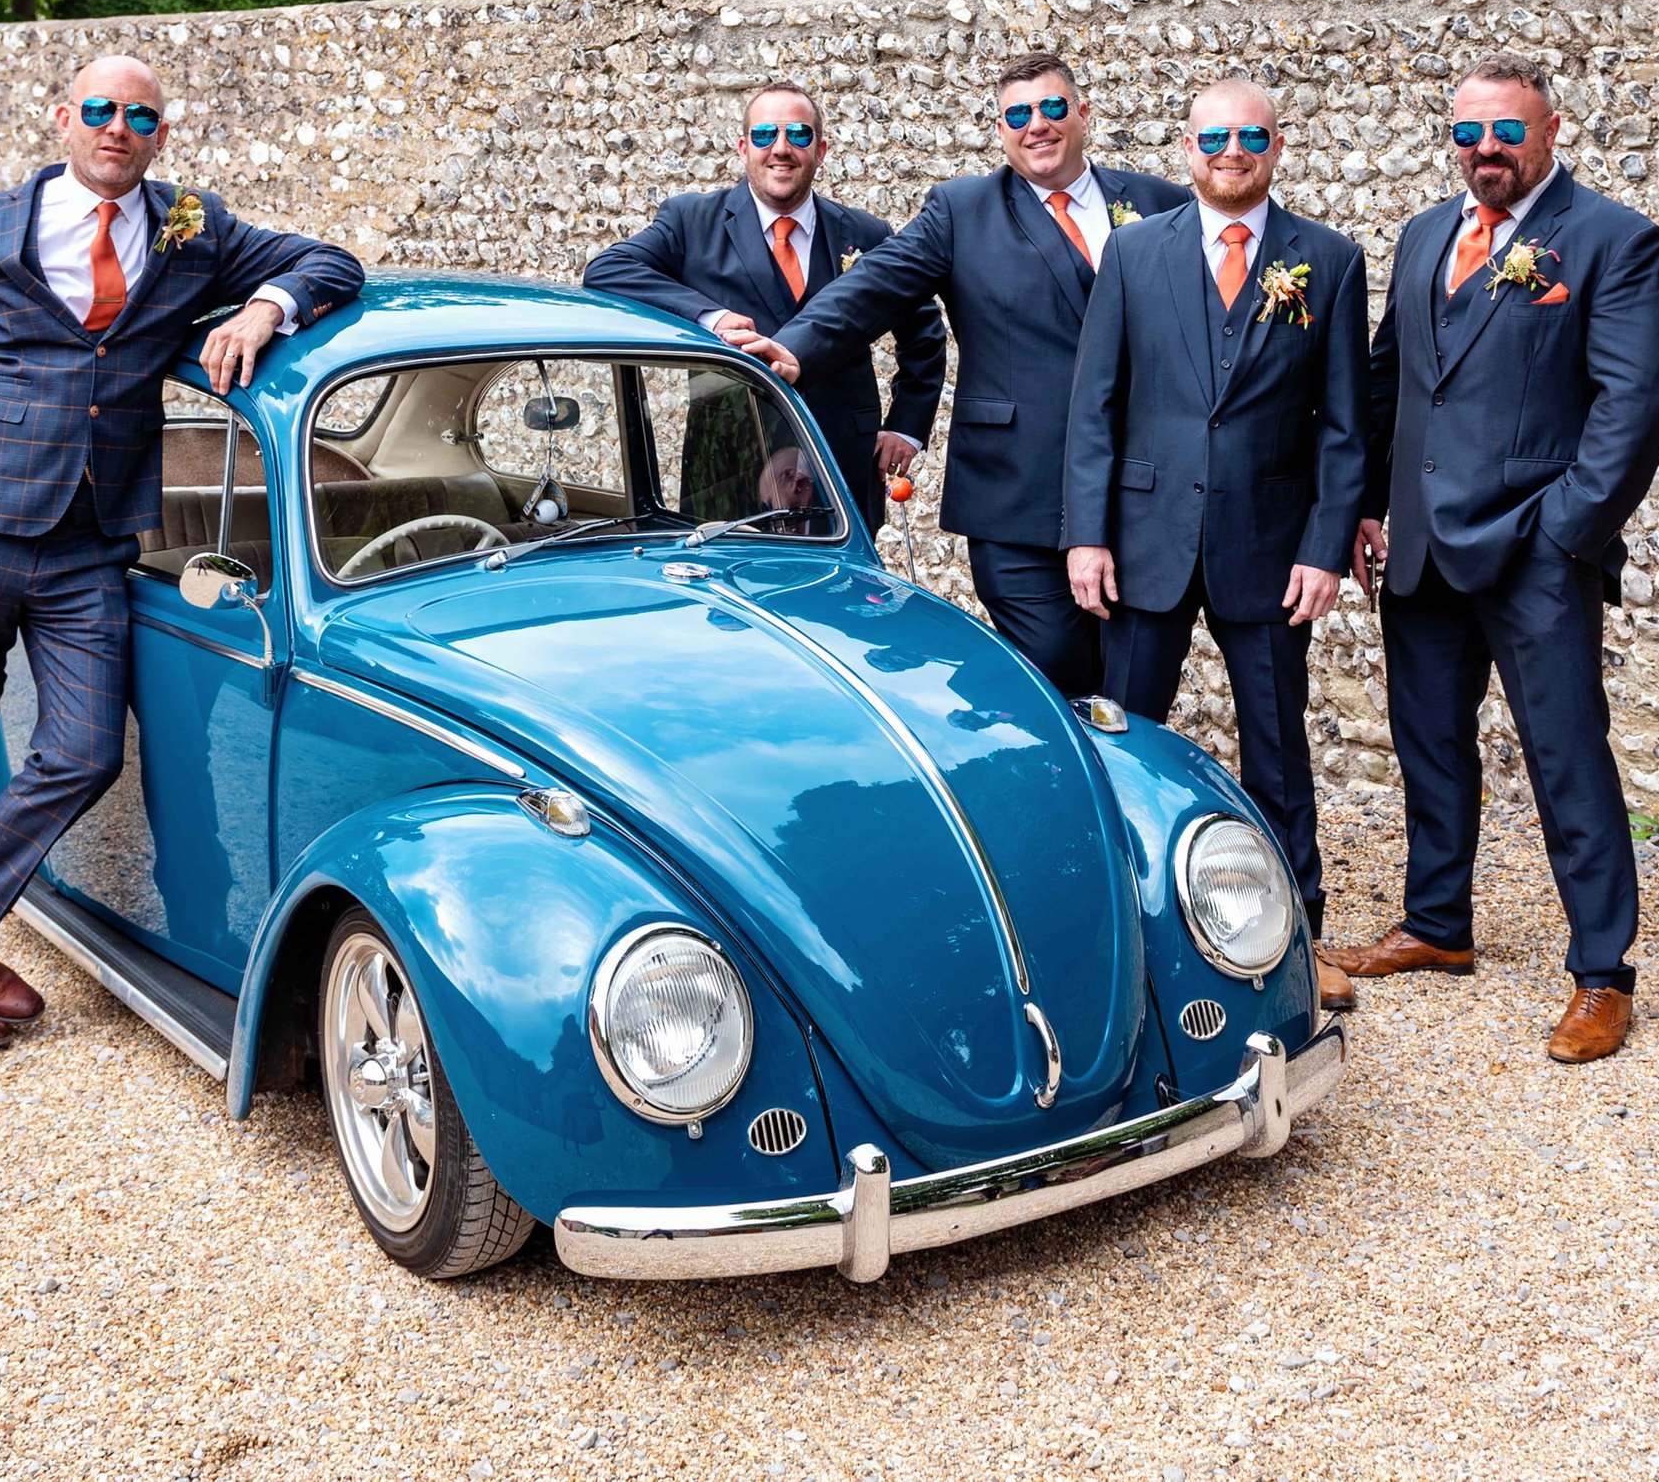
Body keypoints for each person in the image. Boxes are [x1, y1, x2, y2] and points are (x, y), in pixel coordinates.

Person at [0, 54, 362, 1053]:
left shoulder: (193, 227)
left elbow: (331, 262)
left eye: (138, 115)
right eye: (98, 109)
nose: (116, 127)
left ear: (160, 135)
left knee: (84, 748)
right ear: (63, 119)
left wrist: (263, 308)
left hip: (90, 543)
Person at [1329, 52, 1659, 1064]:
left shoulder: (1615, 240)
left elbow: (1639, 402)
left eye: (1505, 131)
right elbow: (1391, 378)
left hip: (1535, 548)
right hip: (1419, 545)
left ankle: (1602, 973)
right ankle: (1437, 923)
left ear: (1551, 129)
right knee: (1428, 742)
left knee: (1565, 754)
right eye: (1467, 133)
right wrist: (1364, 504)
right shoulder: (1425, 233)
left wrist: (1565, 531)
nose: (1485, 150)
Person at [1062, 80, 1369, 1012]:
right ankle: (1123, 935)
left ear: (1277, 145)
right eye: (1214, 135)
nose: (1232, 150)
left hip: (1271, 547)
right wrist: (1087, 536)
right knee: (1123, 740)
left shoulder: (1329, 259)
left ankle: (1301, 936)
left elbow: (1345, 427)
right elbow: (1095, 406)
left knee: (1277, 746)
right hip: (1145, 539)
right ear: (1186, 143)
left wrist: (1323, 548)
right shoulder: (1131, 251)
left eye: (1251, 136)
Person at [767, 53, 1192, 697]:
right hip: (1017, 496)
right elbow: (874, 286)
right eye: (1018, 114)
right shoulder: (961, 210)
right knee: (1054, 673)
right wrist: (794, 349)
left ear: (1083, 113)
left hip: (1142, 494)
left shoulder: (1160, 204)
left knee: (1140, 690)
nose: (1037, 125)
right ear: (1000, 129)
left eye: (1052, 108)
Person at [581, 81, 947, 531]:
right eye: (764, 136)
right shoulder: (692, 221)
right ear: (742, 147)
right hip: (730, 457)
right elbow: (608, 269)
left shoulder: (865, 232)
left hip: (843, 455)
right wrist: (709, 316)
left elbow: (924, 330)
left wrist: (906, 426)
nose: (781, 149)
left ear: (821, 149)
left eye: (798, 135)